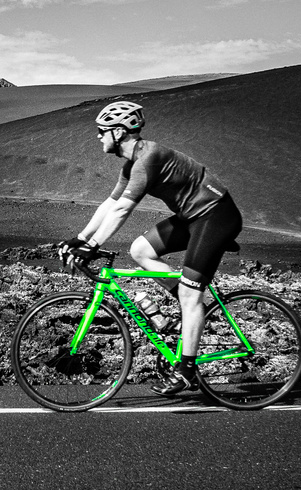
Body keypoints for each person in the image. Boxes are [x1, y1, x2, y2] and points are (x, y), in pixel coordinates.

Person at [58, 100, 243, 396]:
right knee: (140, 251)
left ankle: (186, 370)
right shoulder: (132, 164)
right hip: (191, 217)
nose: (99, 136)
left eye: (102, 130)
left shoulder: (147, 159)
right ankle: (189, 308)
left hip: (216, 216)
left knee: (189, 292)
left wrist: (93, 246)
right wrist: (79, 239)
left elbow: (122, 212)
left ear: (119, 132)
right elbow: (110, 204)